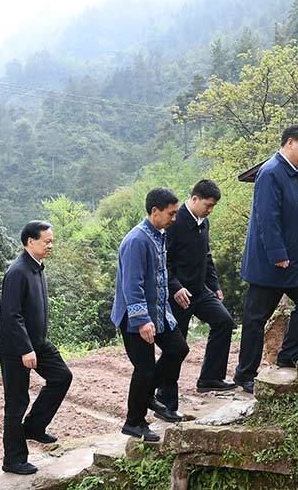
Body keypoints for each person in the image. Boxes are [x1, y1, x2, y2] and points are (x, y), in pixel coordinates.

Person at [233, 124, 298, 394]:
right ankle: (245, 375)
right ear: (290, 143)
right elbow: (266, 218)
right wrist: (277, 254)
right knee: (256, 318)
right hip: (271, 265)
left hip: (294, 262)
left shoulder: (292, 174)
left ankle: (288, 356)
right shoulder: (271, 172)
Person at [111, 188, 189, 442]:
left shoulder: (159, 234)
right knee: (144, 369)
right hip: (135, 316)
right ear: (155, 211)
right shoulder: (136, 240)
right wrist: (142, 320)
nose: (174, 218)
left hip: (159, 311)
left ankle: (147, 396)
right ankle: (134, 422)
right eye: (171, 213)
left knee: (178, 349)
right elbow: (132, 285)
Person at [0, 221, 73, 475]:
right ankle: (14, 460)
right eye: (46, 241)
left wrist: (34, 345)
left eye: (52, 241)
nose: (51, 245)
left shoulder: (37, 267)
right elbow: (11, 315)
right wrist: (25, 349)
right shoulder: (18, 271)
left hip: (37, 343)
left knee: (62, 376)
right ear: (30, 241)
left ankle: (34, 426)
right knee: (16, 402)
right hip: (16, 348)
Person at [155, 179, 236, 413]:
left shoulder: (204, 222)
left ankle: (210, 377)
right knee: (176, 348)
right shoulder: (174, 222)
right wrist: (176, 287)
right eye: (208, 205)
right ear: (194, 199)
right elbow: (163, 261)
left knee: (224, 321)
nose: (210, 210)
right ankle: (165, 399)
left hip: (200, 291)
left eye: (213, 206)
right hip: (178, 296)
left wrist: (215, 284)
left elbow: (206, 256)